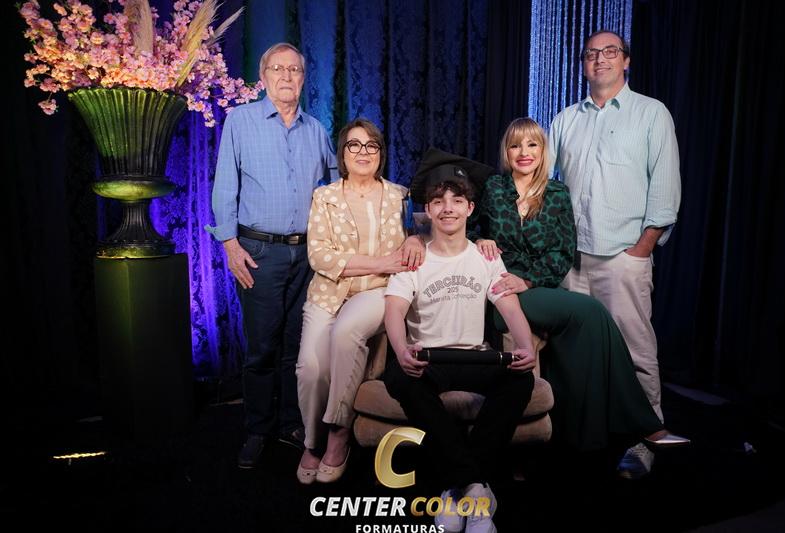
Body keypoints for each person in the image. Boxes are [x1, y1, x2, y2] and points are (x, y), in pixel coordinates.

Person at [472, 118, 687, 464]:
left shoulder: (557, 193)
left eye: (532, 144)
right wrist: (480, 239)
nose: (524, 152)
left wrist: (528, 280)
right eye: (515, 145)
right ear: (506, 152)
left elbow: (562, 252)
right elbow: (465, 228)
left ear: (543, 151)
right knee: (590, 311)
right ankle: (644, 424)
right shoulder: (493, 188)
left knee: (592, 322)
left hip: (534, 286)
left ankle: (587, 431)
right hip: (498, 289)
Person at [548, 29, 682, 478]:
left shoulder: (651, 113)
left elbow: (665, 186)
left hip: (623, 255)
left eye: (610, 51)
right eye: (591, 53)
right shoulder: (565, 119)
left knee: (634, 349)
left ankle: (646, 438)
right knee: (573, 352)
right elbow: (541, 182)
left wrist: (643, 247)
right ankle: (581, 434)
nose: (600, 59)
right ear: (583, 64)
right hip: (571, 259)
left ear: (626, 61)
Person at [383, 162, 537, 533]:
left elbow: (510, 307)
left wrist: (526, 347)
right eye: (438, 201)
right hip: (428, 357)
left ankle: (458, 485)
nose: (447, 208)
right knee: (401, 379)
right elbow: (394, 311)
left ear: (470, 208)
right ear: (428, 210)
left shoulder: (486, 256)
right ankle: (476, 487)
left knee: (521, 379)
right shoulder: (414, 258)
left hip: (474, 356)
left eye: (456, 201)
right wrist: (402, 350)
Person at [206, 43, 338, 469]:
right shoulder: (240, 121)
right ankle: (258, 429)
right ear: (263, 77)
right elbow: (225, 185)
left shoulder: (316, 130)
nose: (286, 76)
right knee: (262, 346)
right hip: (258, 252)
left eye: (294, 69)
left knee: (297, 347)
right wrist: (230, 245)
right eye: (277, 69)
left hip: (308, 255)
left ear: (303, 78)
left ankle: (290, 423)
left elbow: (337, 186)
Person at [295, 118, 425, 484]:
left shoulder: (401, 195)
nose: (363, 152)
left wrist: (416, 238)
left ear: (381, 153)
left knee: (347, 332)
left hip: (378, 291)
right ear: (343, 153)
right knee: (310, 368)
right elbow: (320, 257)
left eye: (371, 145)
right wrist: (383, 261)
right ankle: (312, 440)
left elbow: (426, 232)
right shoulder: (325, 197)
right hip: (328, 293)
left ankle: (338, 433)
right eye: (354, 145)